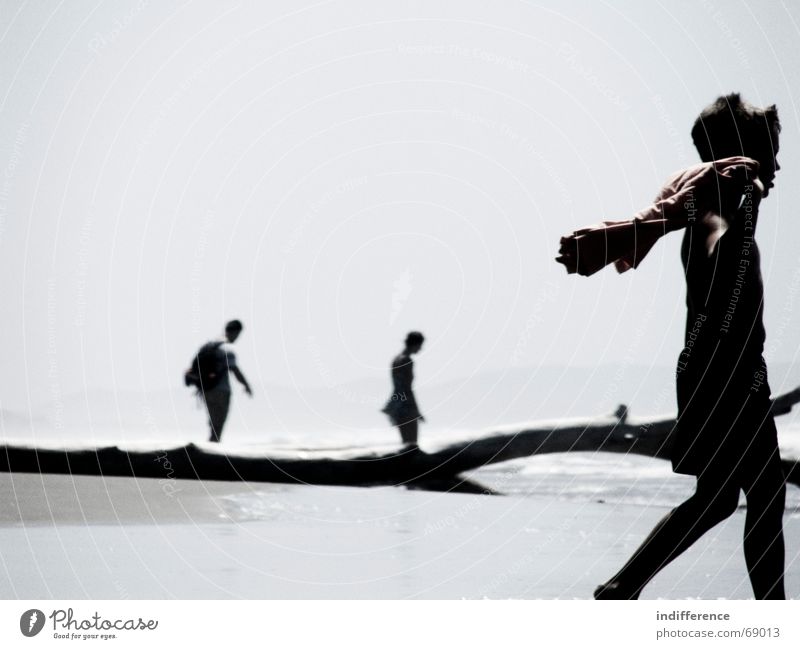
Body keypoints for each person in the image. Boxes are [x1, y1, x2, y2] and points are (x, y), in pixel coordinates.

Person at [557, 93, 786, 599]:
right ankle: (775, 615)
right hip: (728, 365)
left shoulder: (717, 198)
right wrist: (748, 176)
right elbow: (718, 203)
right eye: (773, 146)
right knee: (760, 494)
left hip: (718, 364)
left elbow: (696, 215)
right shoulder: (733, 188)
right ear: (744, 148)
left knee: (721, 497)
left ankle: (622, 587)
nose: (778, 161)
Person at [187, 319, 253, 443]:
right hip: (222, 390)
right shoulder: (227, 348)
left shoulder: (208, 346)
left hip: (206, 389)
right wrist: (246, 385)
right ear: (235, 332)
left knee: (213, 423)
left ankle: (211, 446)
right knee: (218, 426)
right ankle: (213, 450)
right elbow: (234, 370)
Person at [382, 331, 425, 448]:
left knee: (406, 444)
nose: (421, 349)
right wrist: (416, 411)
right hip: (406, 405)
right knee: (412, 445)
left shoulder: (396, 359)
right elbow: (407, 388)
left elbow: (399, 387)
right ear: (415, 344)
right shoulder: (407, 361)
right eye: (420, 345)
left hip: (396, 403)